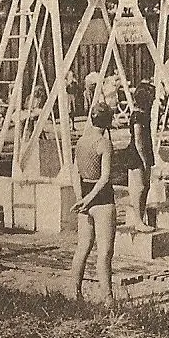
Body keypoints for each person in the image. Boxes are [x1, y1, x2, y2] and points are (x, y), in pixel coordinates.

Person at [69, 102, 117, 307]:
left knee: (83, 247)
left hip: (84, 196)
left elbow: (75, 171)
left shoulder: (81, 141)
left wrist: (80, 197)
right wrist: (89, 199)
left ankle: (74, 291)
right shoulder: (104, 143)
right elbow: (105, 177)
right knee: (105, 252)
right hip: (102, 198)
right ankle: (108, 298)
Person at [125, 81, 156, 233]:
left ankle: (141, 218)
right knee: (139, 188)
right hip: (137, 155)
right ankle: (138, 220)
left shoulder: (143, 114)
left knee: (146, 187)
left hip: (145, 153)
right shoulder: (138, 116)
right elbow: (138, 141)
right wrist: (144, 161)